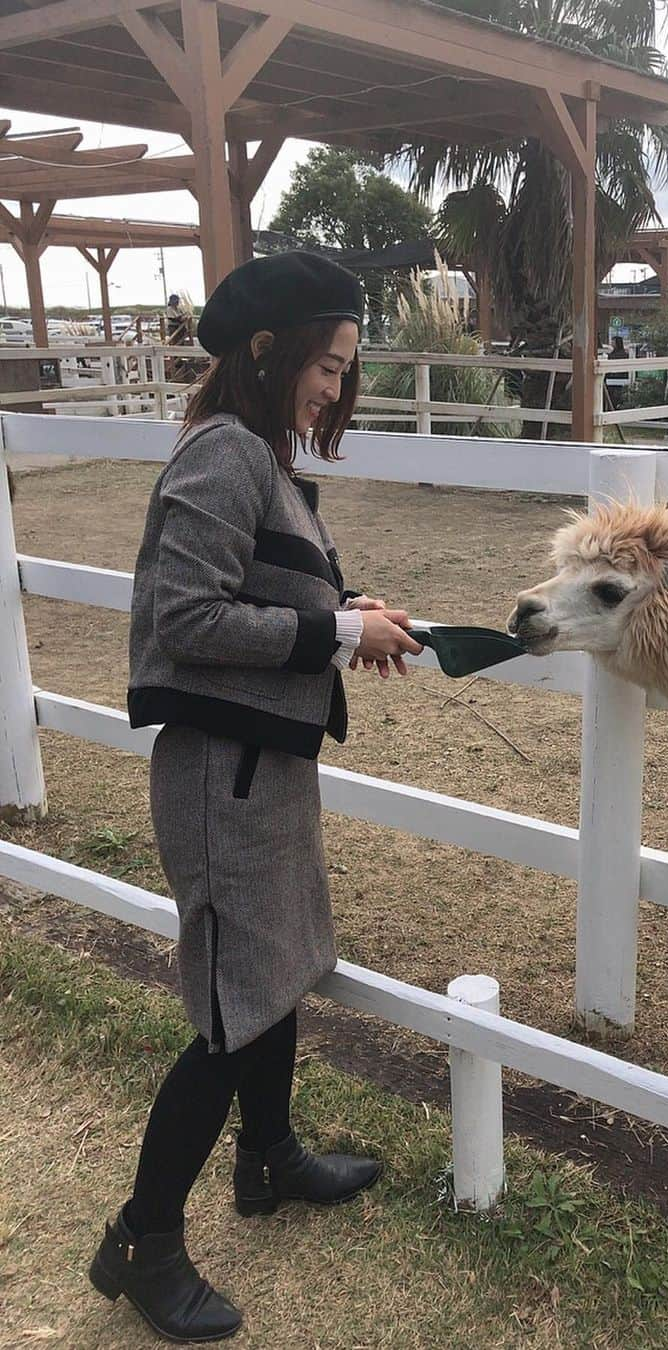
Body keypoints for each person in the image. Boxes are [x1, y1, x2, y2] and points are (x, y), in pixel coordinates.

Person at [88, 252, 423, 1343]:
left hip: (260, 765)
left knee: (271, 971)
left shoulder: (260, 458)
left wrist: (349, 608)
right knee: (231, 1012)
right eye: (327, 365)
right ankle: (142, 1241)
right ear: (269, 351)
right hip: (220, 776)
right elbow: (180, 620)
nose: (335, 388)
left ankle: (268, 1161)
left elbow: (259, 589)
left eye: (346, 369)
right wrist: (333, 633)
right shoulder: (225, 456)